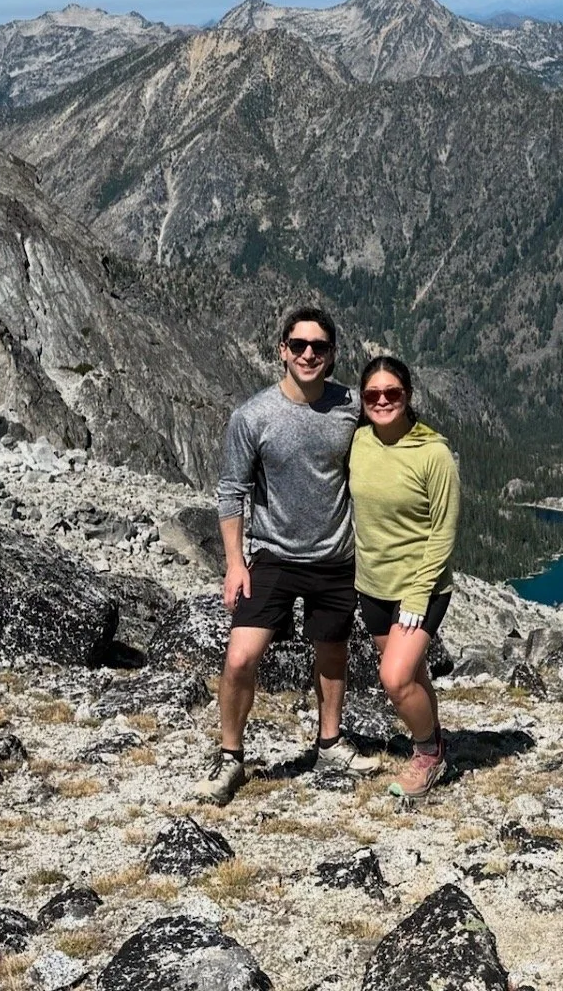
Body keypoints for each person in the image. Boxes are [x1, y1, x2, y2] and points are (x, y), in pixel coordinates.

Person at [191, 305, 379, 806]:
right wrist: (234, 564)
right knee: (239, 658)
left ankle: (330, 743)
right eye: (299, 345)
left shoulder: (353, 406)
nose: (309, 354)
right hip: (272, 557)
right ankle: (231, 757)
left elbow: (391, 440)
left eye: (319, 346)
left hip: (336, 557)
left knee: (332, 652)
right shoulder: (252, 416)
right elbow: (230, 492)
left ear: (333, 354)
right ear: (283, 351)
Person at [349, 354, 461, 798]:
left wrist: (417, 596)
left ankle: (428, 754)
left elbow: (443, 532)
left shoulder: (434, 453)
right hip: (372, 585)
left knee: (395, 679)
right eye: (372, 394)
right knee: (413, 677)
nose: (382, 401)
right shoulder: (358, 442)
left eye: (391, 393)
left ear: (408, 396)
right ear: (362, 400)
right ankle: (436, 744)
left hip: (422, 588)